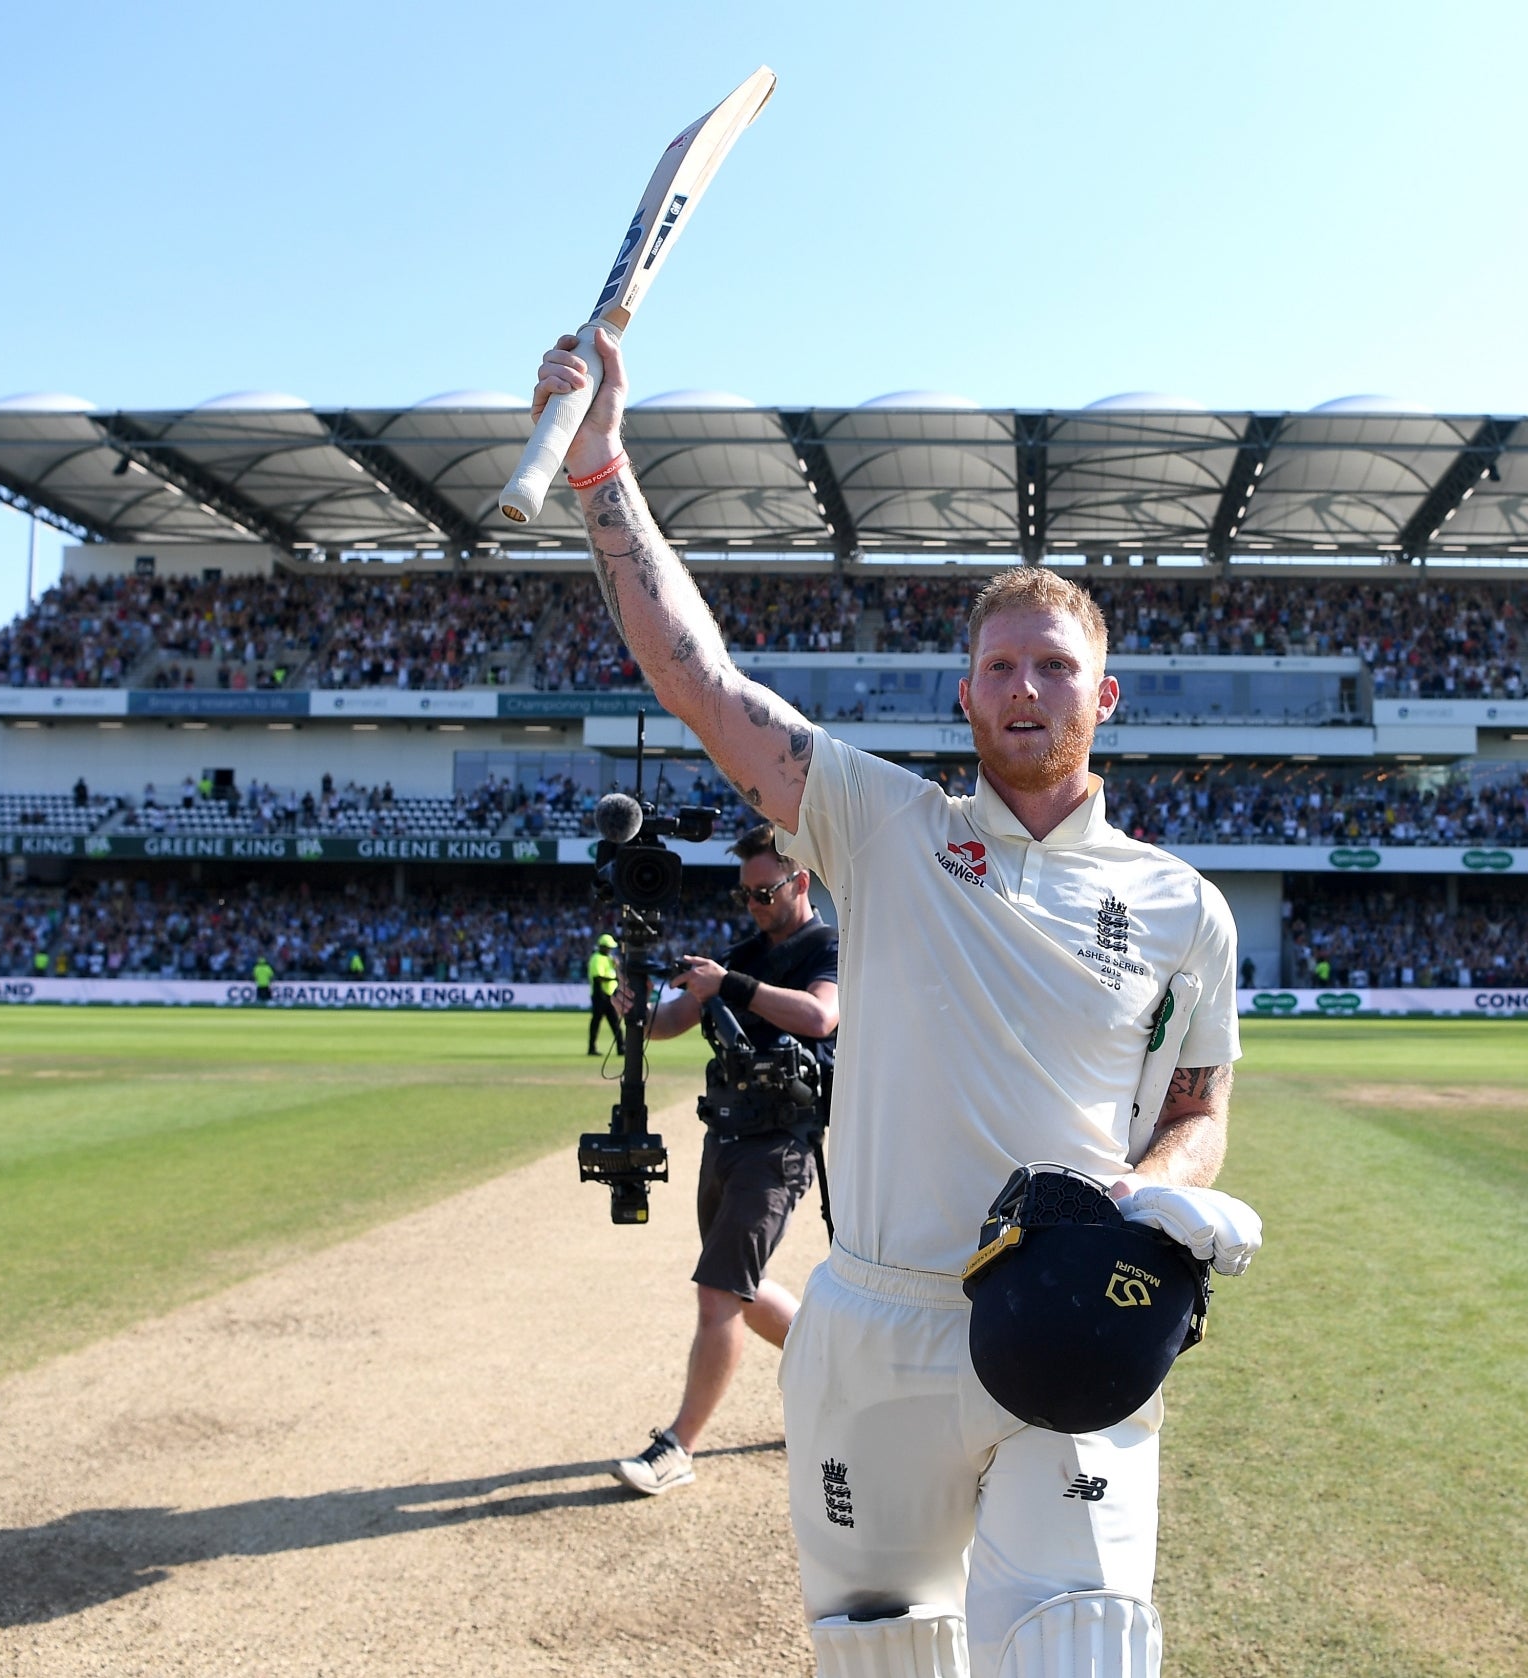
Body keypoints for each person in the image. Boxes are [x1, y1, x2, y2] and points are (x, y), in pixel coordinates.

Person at [535, 329, 1260, 1678]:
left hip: (1068, 1312)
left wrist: (1159, 1183)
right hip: (874, 1327)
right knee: (882, 1657)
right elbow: (700, 680)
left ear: (1102, 694)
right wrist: (601, 471)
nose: (1026, 689)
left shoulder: (1184, 907)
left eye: (1053, 666)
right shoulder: (881, 824)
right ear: (965, 691)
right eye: (1000, 666)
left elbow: (1201, 1108)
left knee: (1083, 1648)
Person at [609, 822, 839, 1498]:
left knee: (719, 1291)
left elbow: (821, 1018)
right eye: (745, 895)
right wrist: (635, 1006)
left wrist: (729, 984)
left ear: (800, 882)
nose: (754, 905)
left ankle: (677, 1446)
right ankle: (832, 1376)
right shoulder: (745, 950)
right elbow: (671, 1022)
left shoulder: (829, 945)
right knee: (736, 1281)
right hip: (729, 1133)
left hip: (780, 1141)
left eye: (764, 891)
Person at [586, 932, 623, 1055]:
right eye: (608, 947)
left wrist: (616, 967)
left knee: (614, 1022)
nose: (610, 950)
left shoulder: (609, 959)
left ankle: (621, 1048)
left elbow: (615, 974)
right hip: (599, 994)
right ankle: (592, 1048)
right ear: (602, 946)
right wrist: (613, 980)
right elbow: (598, 978)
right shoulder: (596, 958)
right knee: (596, 1022)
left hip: (609, 994)